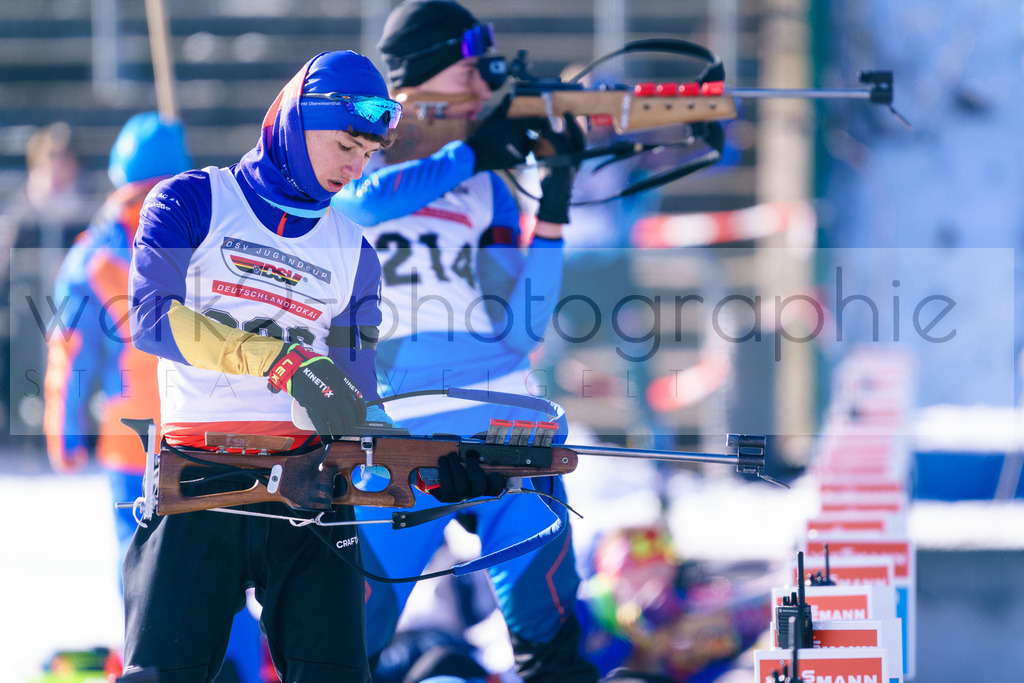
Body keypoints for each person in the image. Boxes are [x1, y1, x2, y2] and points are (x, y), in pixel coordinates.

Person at [123, 50, 478, 681]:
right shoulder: (190, 200)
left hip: (309, 488)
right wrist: (283, 363)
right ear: (294, 120)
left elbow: (356, 407)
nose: (355, 165)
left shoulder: (355, 252)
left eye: (367, 153)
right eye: (344, 143)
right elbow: (152, 319)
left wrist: (427, 467)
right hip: (199, 484)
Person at [332, 2, 598, 681]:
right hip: (393, 431)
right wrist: (470, 152)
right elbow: (361, 203)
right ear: (419, 76)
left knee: (549, 641)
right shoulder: (352, 144)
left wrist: (556, 204)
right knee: (336, 647)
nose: (484, 89)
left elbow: (521, 328)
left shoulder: (484, 183)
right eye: (471, 71)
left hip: (502, 417)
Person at [41, 111, 269, 683]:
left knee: (146, 574)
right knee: (226, 569)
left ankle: (161, 668)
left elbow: (70, 354)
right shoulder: (220, 231)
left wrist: (63, 434)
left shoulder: (93, 255)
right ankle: (239, 669)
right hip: (218, 433)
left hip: (136, 446)